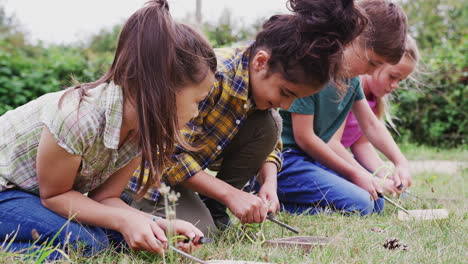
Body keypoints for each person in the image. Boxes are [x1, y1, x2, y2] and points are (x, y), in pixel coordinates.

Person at [125, 0, 370, 234]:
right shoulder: (212, 77)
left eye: (294, 98)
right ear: (261, 62)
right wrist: (231, 194)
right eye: (285, 92)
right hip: (147, 176)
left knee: (270, 123)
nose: (285, 104)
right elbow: (166, 157)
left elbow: (272, 144)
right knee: (200, 232)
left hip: (185, 178)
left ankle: (213, 207)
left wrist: (269, 184)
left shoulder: (261, 90)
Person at [0, 0, 216, 259]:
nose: (197, 112)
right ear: (164, 89)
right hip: (8, 191)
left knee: (122, 237)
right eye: (197, 101)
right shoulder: (78, 117)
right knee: (90, 243)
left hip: (36, 198)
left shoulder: (141, 129)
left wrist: (158, 226)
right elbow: (54, 196)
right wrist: (124, 221)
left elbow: (105, 199)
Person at [276, 0, 410, 215]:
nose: (369, 72)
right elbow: (305, 138)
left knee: (377, 201)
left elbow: (371, 125)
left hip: (311, 163)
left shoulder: (353, 79)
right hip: (286, 162)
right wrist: (357, 174)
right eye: (373, 63)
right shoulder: (314, 71)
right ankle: (272, 203)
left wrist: (399, 162)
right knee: (362, 205)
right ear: (355, 39)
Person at [339, 35, 419, 195]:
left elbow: (360, 144)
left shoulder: (373, 101)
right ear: (376, 63)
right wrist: (365, 176)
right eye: (392, 76)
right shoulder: (349, 88)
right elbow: (331, 144)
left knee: (387, 192)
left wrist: (384, 175)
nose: (395, 85)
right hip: (327, 159)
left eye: (400, 80)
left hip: (342, 161)